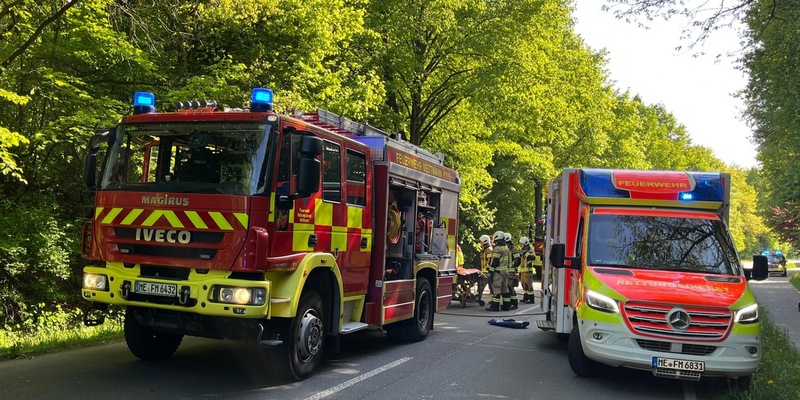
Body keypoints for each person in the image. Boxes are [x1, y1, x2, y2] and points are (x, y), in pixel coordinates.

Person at [486, 231, 511, 312]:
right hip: (505, 272)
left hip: (498, 273)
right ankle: (506, 307)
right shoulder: (506, 248)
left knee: (496, 289)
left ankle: (495, 307)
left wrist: (490, 272)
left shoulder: (497, 248)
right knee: (505, 289)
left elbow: (495, 262)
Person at [504, 232, 520, 310]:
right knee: (507, 287)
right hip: (507, 271)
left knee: (511, 287)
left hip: (511, 271)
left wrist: (514, 267)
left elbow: (518, 260)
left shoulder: (513, 249)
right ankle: (509, 303)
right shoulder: (507, 248)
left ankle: (514, 304)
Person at [518, 237, 536, 304]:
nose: (520, 245)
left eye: (521, 244)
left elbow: (533, 258)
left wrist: (526, 253)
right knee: (524, 285)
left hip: (528, 271)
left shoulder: (530, 250)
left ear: (525, 243)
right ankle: (525, 298)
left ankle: (531, 299)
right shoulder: (522, 251)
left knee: (529, 285)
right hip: (523, 271)